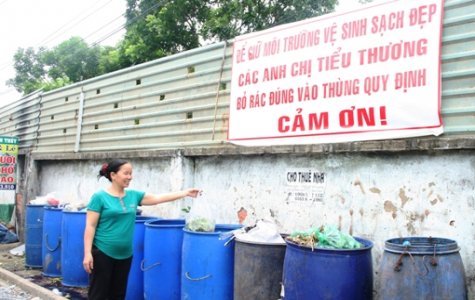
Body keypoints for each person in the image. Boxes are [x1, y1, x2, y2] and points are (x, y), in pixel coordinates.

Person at [83, 159, 200, 300]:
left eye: (131, 173)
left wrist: (185, 193)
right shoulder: (99, 197)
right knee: (98, 295)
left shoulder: (133, 195)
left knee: (118, 295)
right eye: (126, 173)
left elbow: (157, 198)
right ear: (113, 175)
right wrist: (87, 253)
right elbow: (90, 226)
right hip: (103, 252)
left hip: (125, 254)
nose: (130, 177)